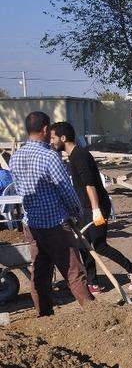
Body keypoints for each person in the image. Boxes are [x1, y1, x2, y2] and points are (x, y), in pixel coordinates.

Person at [9, 112, 94, 316]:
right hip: (55, 225)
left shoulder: (16, 157)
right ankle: (95, 314)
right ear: (46, 129)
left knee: (40, 274)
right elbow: (65, 189)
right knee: (74, 272)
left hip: (31, 224)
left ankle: (44, 314)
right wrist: (76, 212)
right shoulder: (49, 157)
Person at [50, 122, 132, 295]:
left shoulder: (80, 155)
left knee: (99, 246)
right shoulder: (73, 156)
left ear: (63, 138)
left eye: (53, 138)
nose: (51, 141)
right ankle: (93, 284)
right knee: (83, 245)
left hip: (96, 206)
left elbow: (89, 184)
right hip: (84, 207)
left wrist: (96, 209)